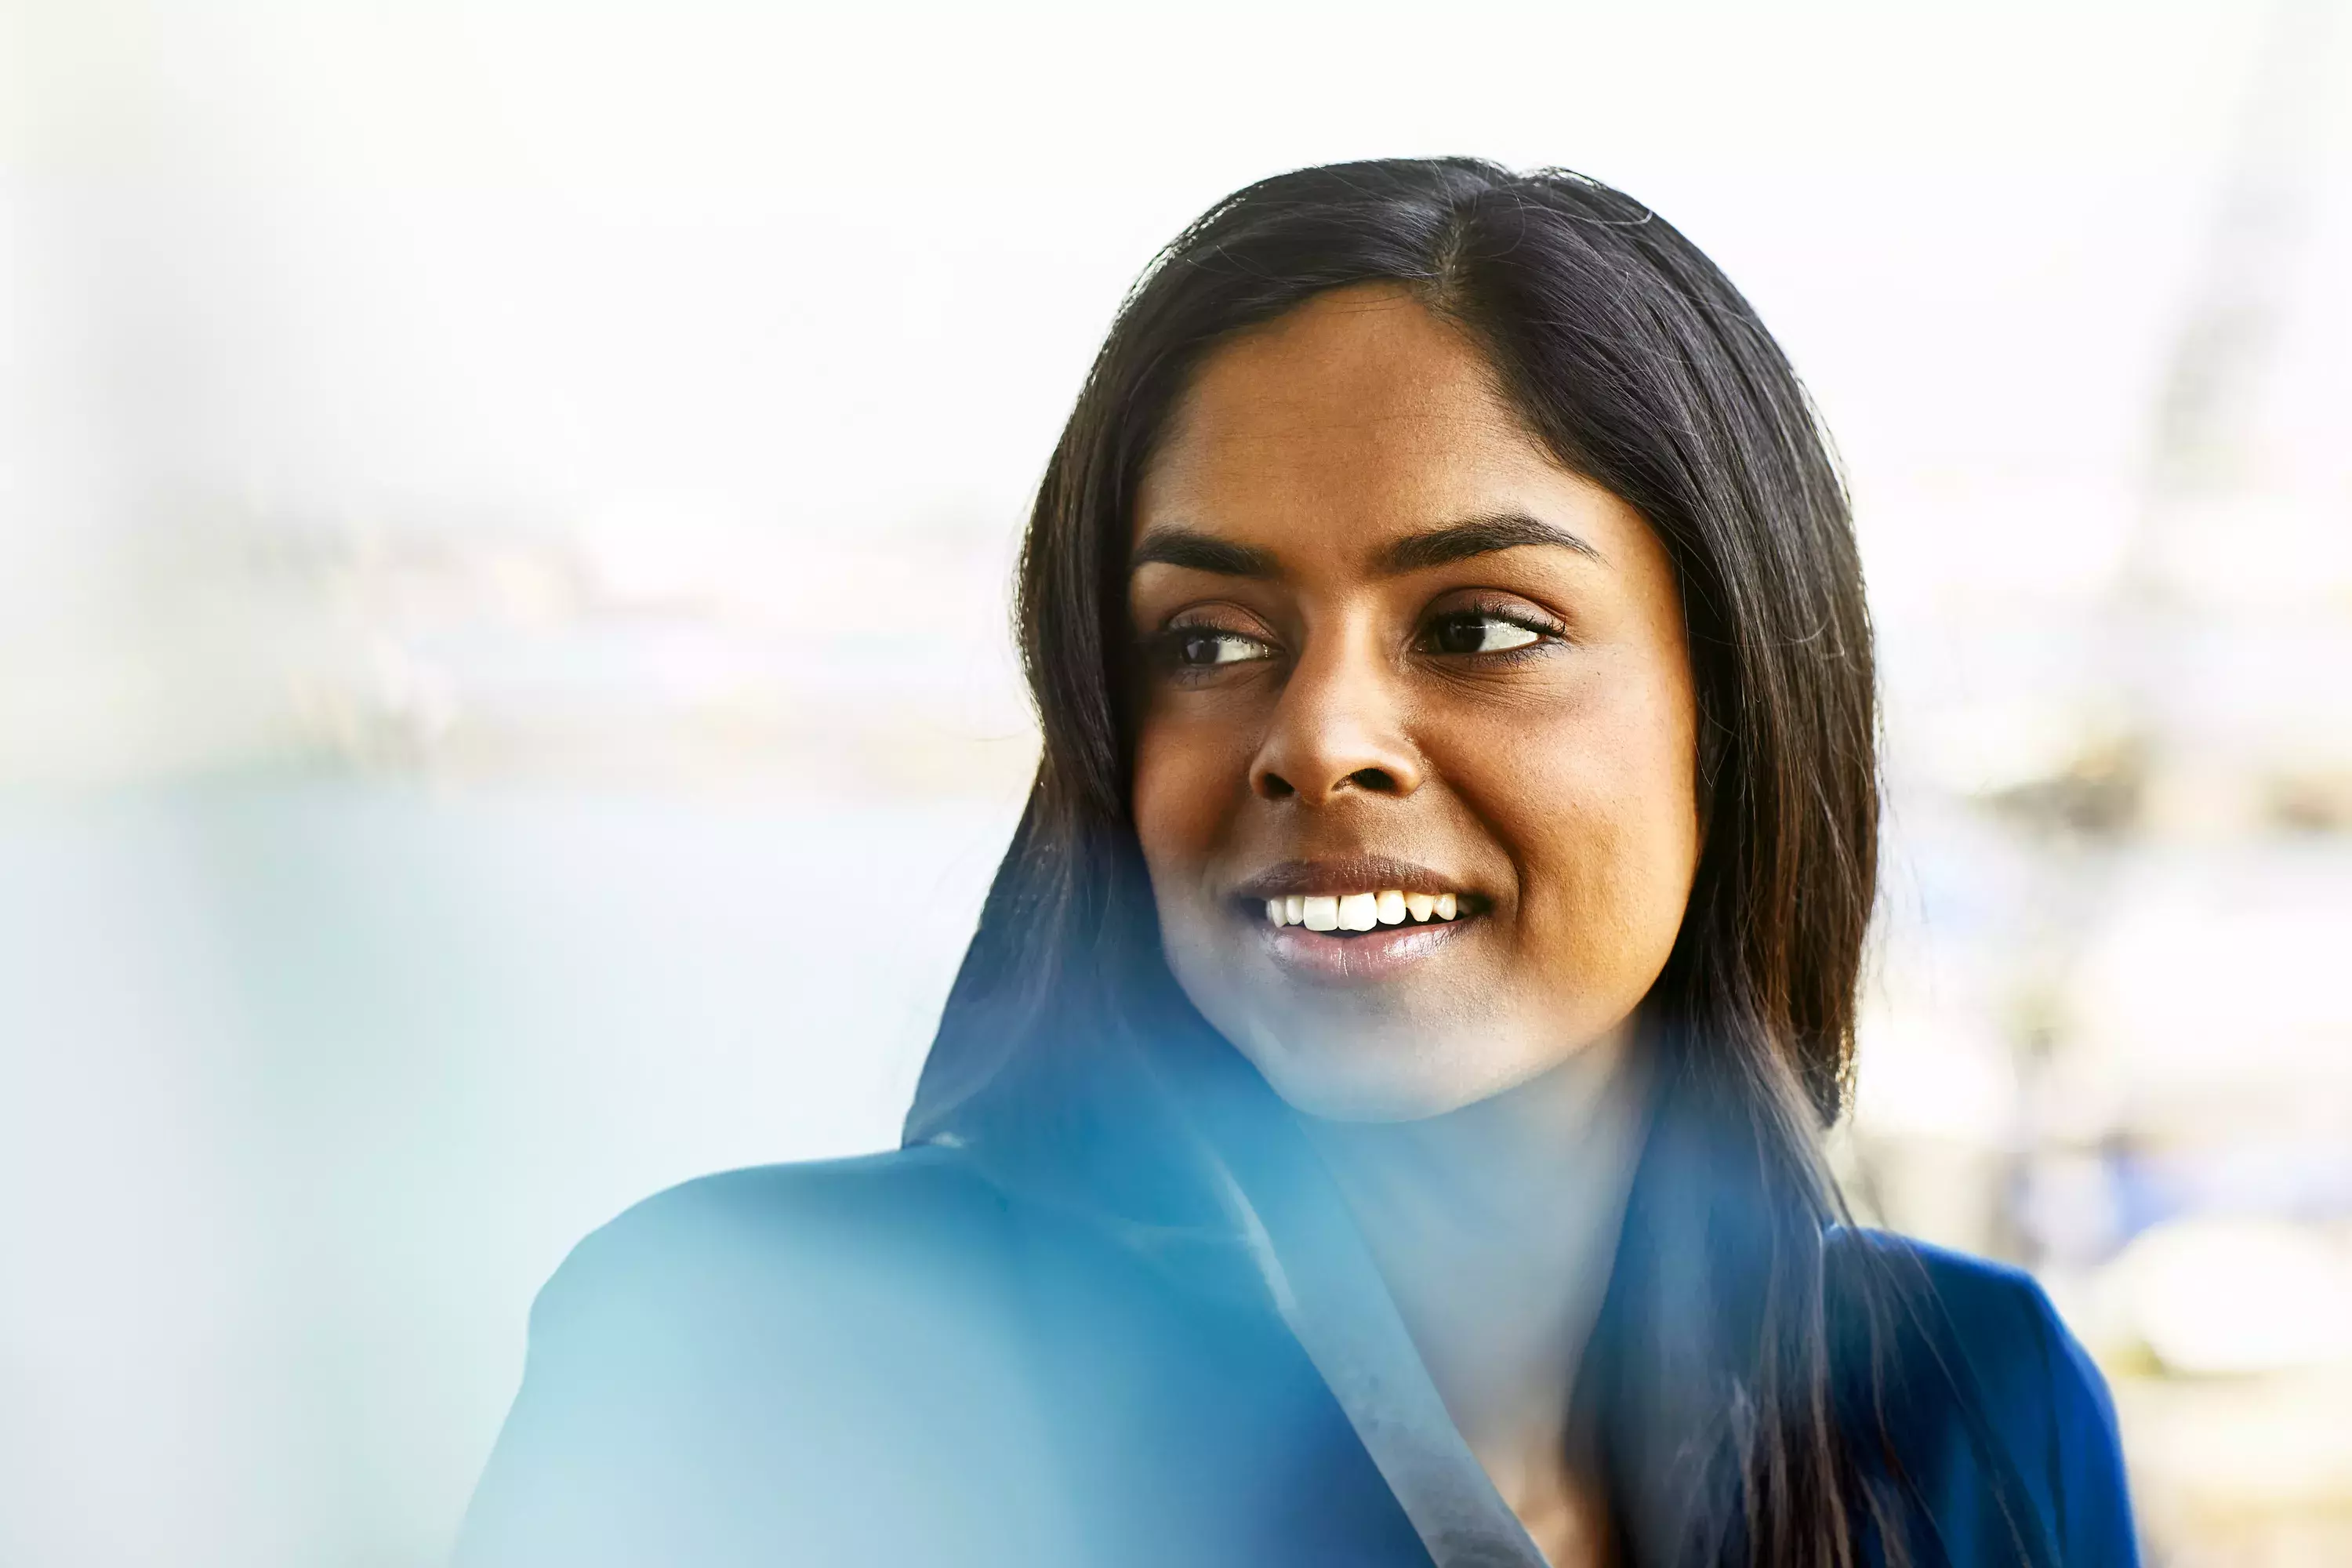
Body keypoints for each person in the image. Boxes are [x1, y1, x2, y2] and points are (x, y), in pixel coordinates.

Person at [454, 158, 2139, 1567]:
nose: (1319, 734)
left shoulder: (1975, 1415)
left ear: (1739, 710)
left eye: (1481, 625)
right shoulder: (763, 1347)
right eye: (1207, 637)